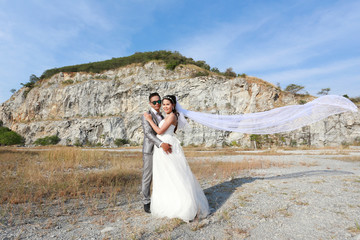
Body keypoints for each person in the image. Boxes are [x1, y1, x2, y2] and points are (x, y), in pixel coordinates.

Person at [143, 95, 210, 222]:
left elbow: (159, 131)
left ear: (173, 105)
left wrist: (149, 119)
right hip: (161, 147)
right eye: (163, 104)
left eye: (168, 104)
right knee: (165, 175)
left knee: (175, 174)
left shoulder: (172, 116)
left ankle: (185, 206)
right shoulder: (167, 116)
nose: (165, 106)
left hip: (166, 145)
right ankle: (168, 202)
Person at [141, 92, 172, 213]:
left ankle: (161, 199)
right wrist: (161, 144)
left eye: (159, 101)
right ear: (150, 103)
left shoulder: (162, 115)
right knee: (147, 176)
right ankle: (146, 202)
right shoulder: (146, 115)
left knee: (161, 175)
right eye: (154, 102)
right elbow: (148, 133)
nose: (157, 104)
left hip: (161, 152)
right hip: (150, 150)